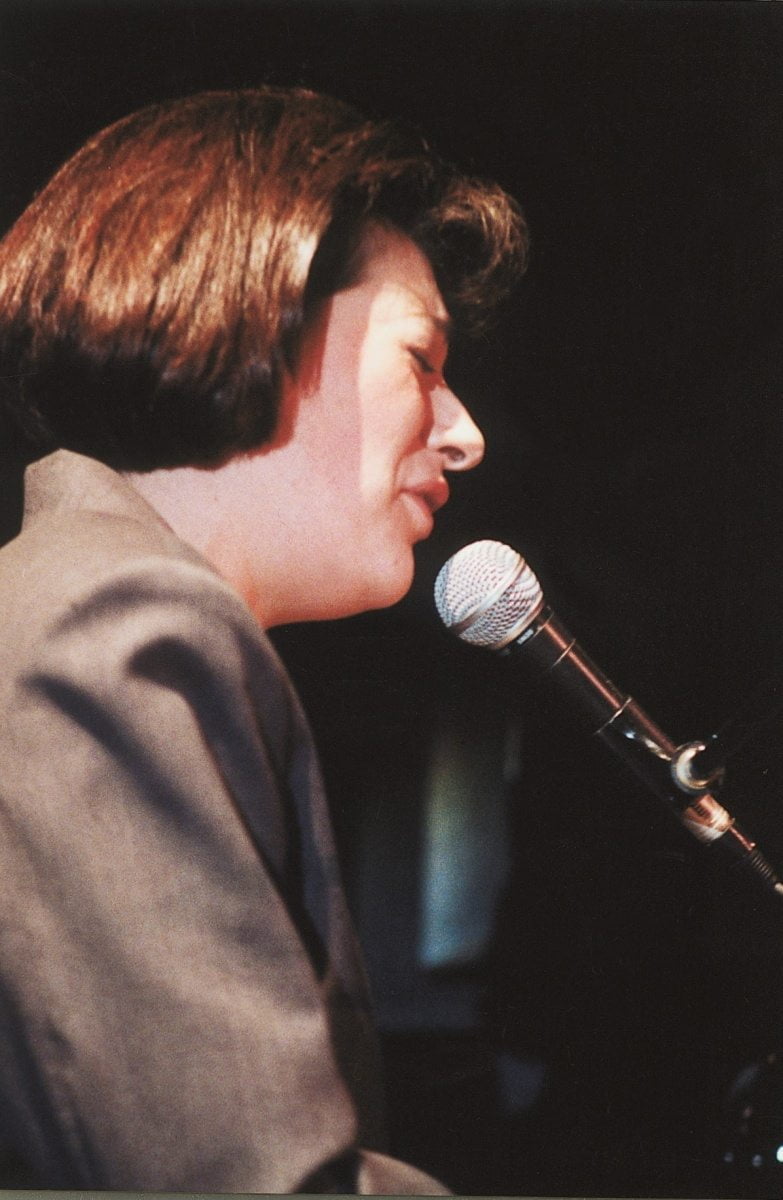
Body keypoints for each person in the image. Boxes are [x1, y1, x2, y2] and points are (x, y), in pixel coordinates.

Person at [0, 86, 526, 1192]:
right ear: (255, 320)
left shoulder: (78, 596)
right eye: (423, 362)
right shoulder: (119, 623)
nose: (463, 434)